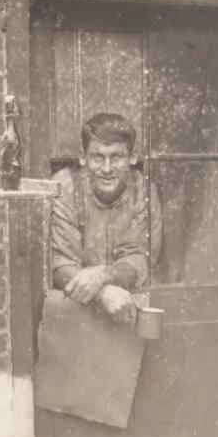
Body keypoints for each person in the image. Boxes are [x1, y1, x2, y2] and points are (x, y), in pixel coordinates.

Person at [51, 113, 162, 320]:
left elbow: (139, 259)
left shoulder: (142, 190)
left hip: (128, 307)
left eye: (117, 157)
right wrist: (102, 292)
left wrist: (103, 275)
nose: (107, 169)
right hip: (72, 310)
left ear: (132, 157)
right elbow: (59, 264)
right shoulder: (64, 187)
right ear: (83, 157)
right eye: (98, 157)